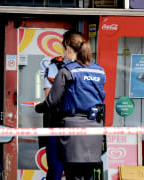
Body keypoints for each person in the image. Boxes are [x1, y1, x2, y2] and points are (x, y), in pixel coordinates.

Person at [35, 31, 106, 180]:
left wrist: (38, 107)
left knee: (72, 174)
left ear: (68, 47)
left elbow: (51, 102)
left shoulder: (67, 71)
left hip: (73, 131)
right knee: (87, 175)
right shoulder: (99, 70)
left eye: (63, 47)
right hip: (95, 128)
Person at [41, 55, 66, 180]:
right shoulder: (86, 68)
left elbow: (49, 98)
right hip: (74, 124)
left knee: (56, 167)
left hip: (57, 123)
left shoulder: (53, 67)